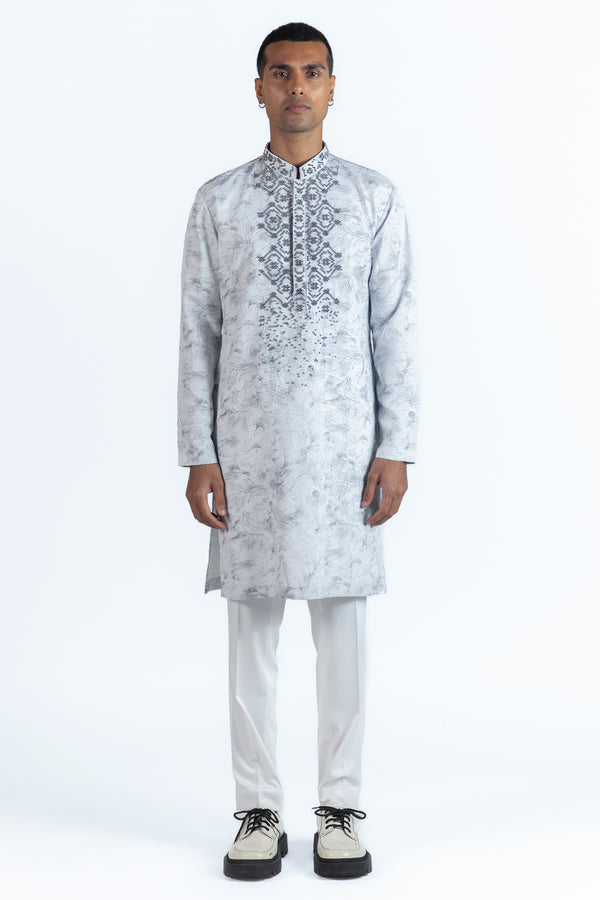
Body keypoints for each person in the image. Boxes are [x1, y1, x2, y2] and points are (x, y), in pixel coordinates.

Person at [177, 21, 419, 880]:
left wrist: (397, 445)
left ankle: (340, 807)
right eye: (281, 73)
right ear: (259, 88)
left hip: (347, 452)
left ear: (332, 86)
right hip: (246, 447)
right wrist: (198, 452)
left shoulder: (372, 197)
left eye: (312, 73)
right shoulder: (219, 202)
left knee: (343, 629)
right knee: (250, 630)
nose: (297, 88)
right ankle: (257, 810)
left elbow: (395, 325)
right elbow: (198, 330)